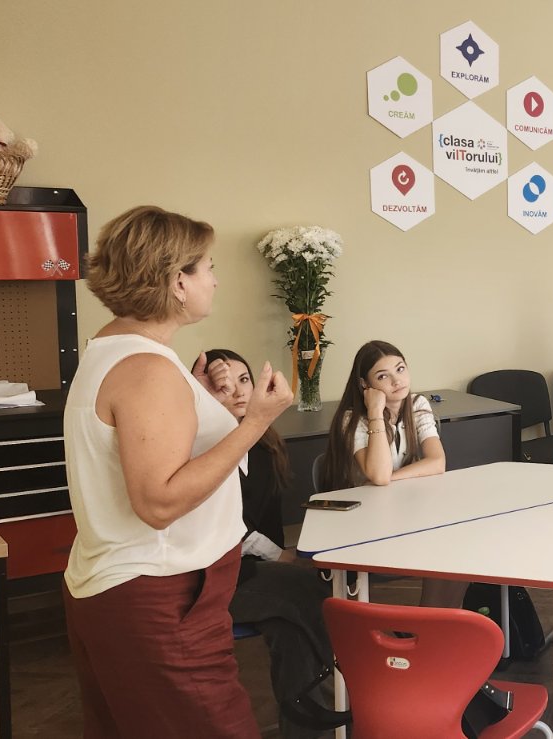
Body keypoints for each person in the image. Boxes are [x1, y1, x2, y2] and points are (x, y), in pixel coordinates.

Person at [63, 206, 292, 738]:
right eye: (208, 266)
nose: (214, 279)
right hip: (161, 599)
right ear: (177, 282)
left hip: (128, 590)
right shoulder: (147, 370)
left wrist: (196, 402)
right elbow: (159, 502)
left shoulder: (117, 351)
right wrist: (254, 423)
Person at [198, 349, 344, 738]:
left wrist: (281, 557)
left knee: (291, 627)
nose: (238, 392)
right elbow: (232, 530)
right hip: (213, 578)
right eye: (223, 384)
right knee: (313, 592)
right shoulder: (203, 450)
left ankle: (307, 726)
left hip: (252, 572)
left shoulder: (264, 447)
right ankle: (353, 687)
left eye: (244, 380)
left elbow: (266, 524)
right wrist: (282, 557)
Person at [324, 340, 462, 608]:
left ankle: (431, 624)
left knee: (457, 546)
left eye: (400, 369)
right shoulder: (352, 418)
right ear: (365, 384)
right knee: (443, 548)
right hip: (363, 522)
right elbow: (378, 474)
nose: (397, 381)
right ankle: (426, 625)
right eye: (382, 376)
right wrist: (375, 412)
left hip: (405, 511)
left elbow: (437, 462)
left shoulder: (418, 404)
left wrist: (391, 478)